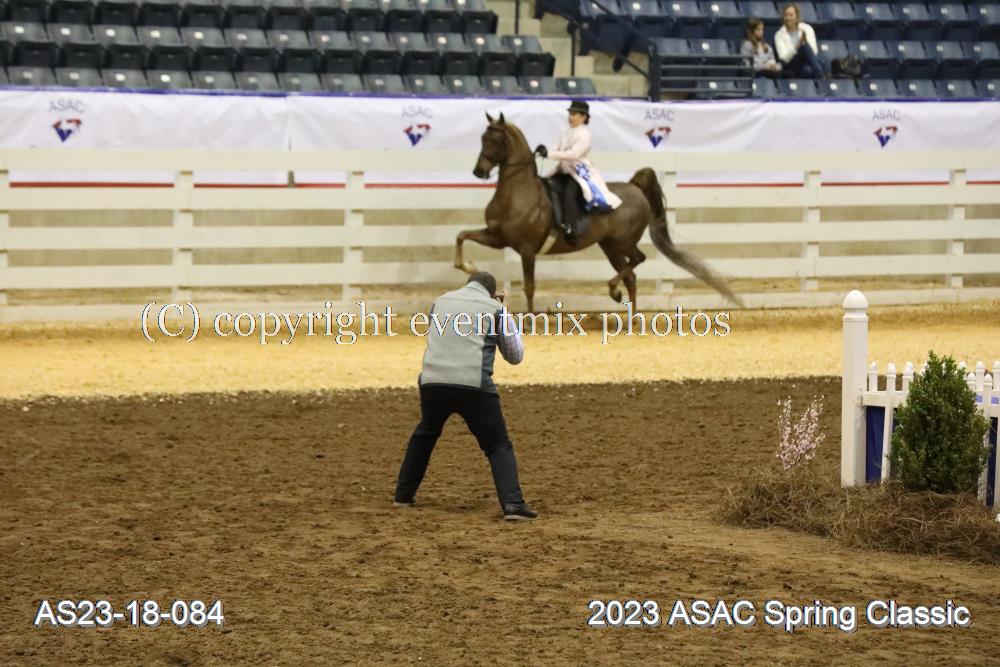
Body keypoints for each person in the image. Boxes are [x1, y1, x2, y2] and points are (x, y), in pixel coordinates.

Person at [393, 272, 538, 521]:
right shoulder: (496, 309)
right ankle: (513, 503)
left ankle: (403, 495)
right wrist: (504, 311)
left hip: (433, 382)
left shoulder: (440, 302)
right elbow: (515, 356)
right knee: (497, 444)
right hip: (474, 385)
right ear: (492, 292)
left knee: (425, 434)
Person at [533, 100, 622, 245]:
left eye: (574, 114)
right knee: (547, 186)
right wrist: (545, 150)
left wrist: (549, 154)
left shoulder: (585, 134)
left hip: (578, 172)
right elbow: (556, 148)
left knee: (570, 192)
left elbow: (574, 154)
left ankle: (571, 228)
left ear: (583, 117)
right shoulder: (567, 133)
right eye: (570, 114)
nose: (570, 117)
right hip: (564, 170)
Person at [774, 3, 824, 79]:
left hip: (807, 62)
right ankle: (820, 74)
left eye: (791, 15)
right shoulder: (779, 35)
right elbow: (783, 58)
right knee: (804, 47)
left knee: (807, 70)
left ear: (797, 17)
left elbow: (814, 51)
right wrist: (797, 46)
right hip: (790, 65)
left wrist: (802, 44)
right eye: (786, 15)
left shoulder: (807, 29)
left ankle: (818, 73)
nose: (788, 18)